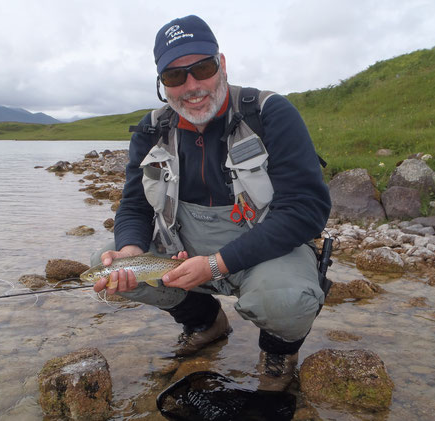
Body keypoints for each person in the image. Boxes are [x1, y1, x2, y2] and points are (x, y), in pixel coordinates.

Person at [91, 14, 331, 392]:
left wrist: (217, 266)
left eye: (202, 68)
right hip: (181, 254)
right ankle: (205, 323)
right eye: (174, 76)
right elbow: (134, 206)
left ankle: (278, 351)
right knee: (106, 265)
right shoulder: (151, 129)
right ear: (162, 84)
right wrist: (131, 250)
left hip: (265, 251)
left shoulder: (269, 113)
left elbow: (307, 209)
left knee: (286, 301)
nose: (191, 86)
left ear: (222, 64)